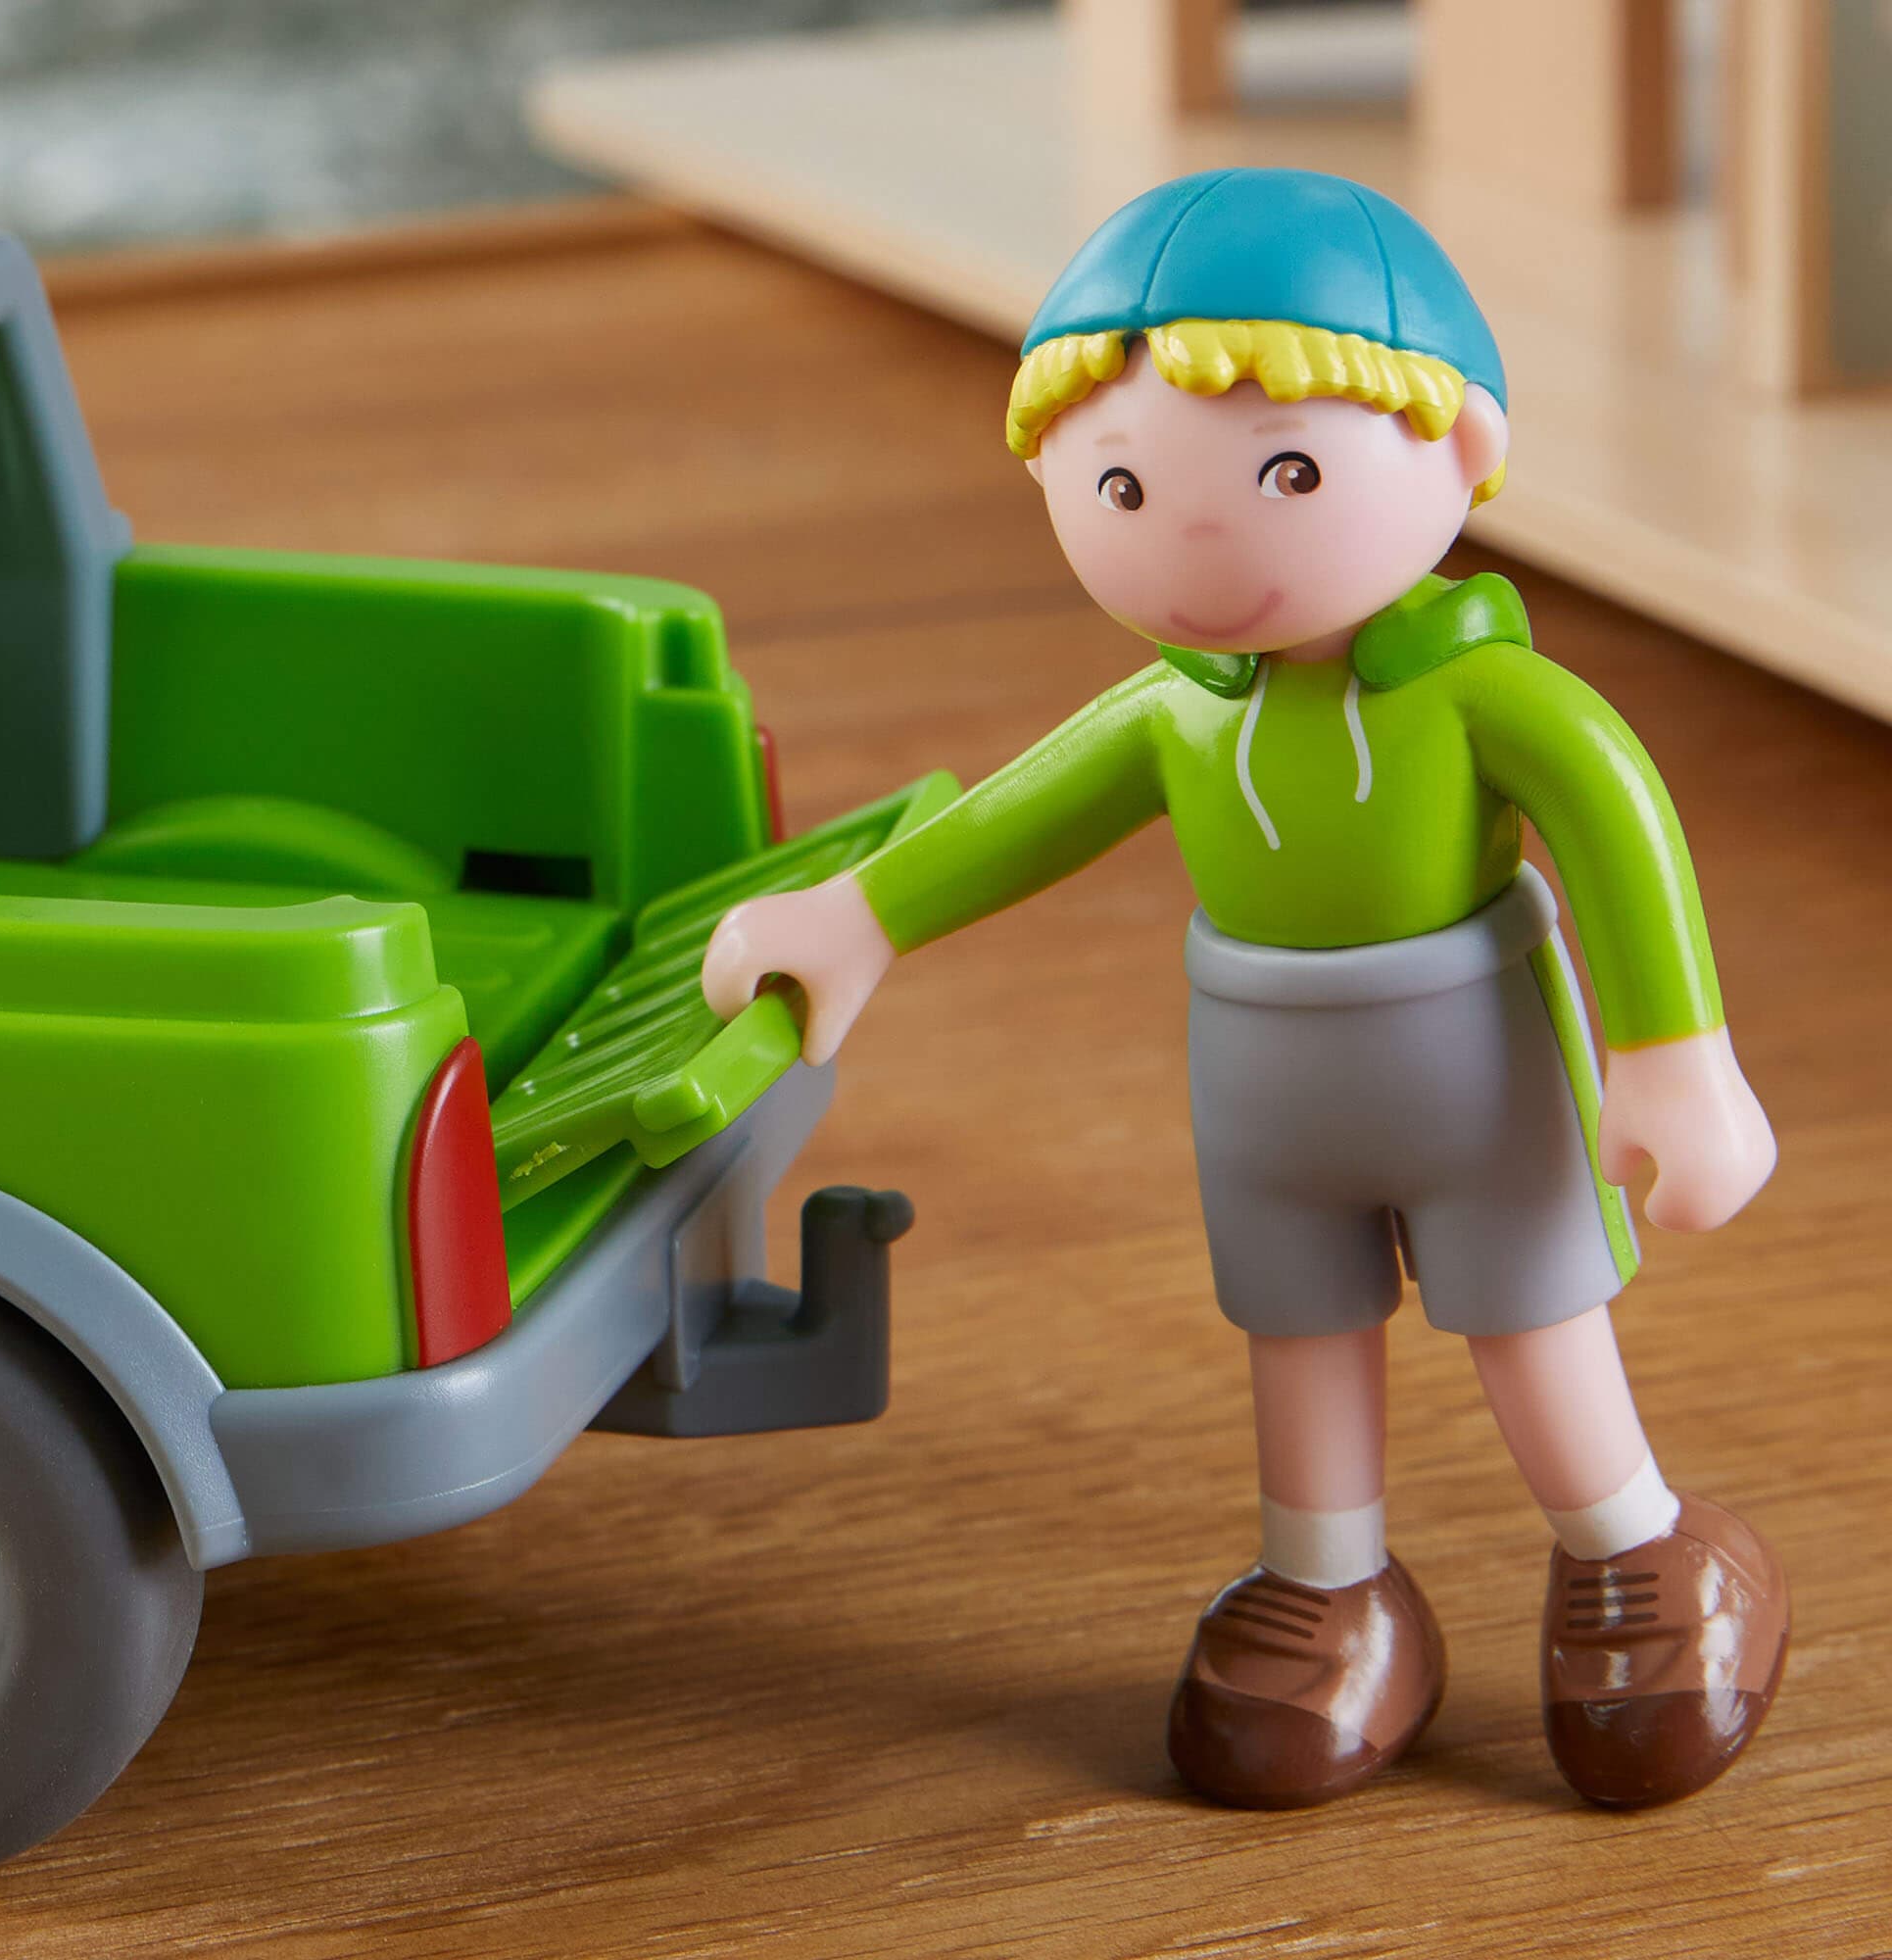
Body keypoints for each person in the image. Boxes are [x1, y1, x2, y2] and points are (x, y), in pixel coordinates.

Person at [701, 168, 1787, 1811]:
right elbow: (1016, 815)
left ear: (1465, 452)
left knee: (1532, 1319)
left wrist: (1675, 1057)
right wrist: (862, 914)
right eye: (1120, 486)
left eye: (1289, 472)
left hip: (1474, 1061)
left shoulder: (1486, 694)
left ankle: (1635, 1550)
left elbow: (1614, 817)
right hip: (1265, 1079)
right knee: (1299, 1331)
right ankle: (1329, 1590)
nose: (1200, 541)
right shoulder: (1175, 712)